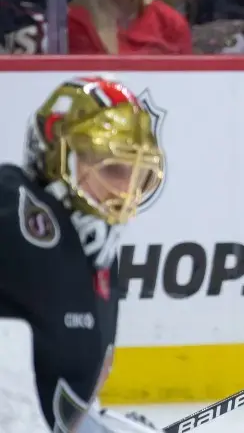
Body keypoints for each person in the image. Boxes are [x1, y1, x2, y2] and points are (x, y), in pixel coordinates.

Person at [0, 77, 166, 433]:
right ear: (57, 156)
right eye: (111, 169)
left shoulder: (96, 246)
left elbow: (60, 404)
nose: (125, 188)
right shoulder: (12, 208)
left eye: (134, 172)